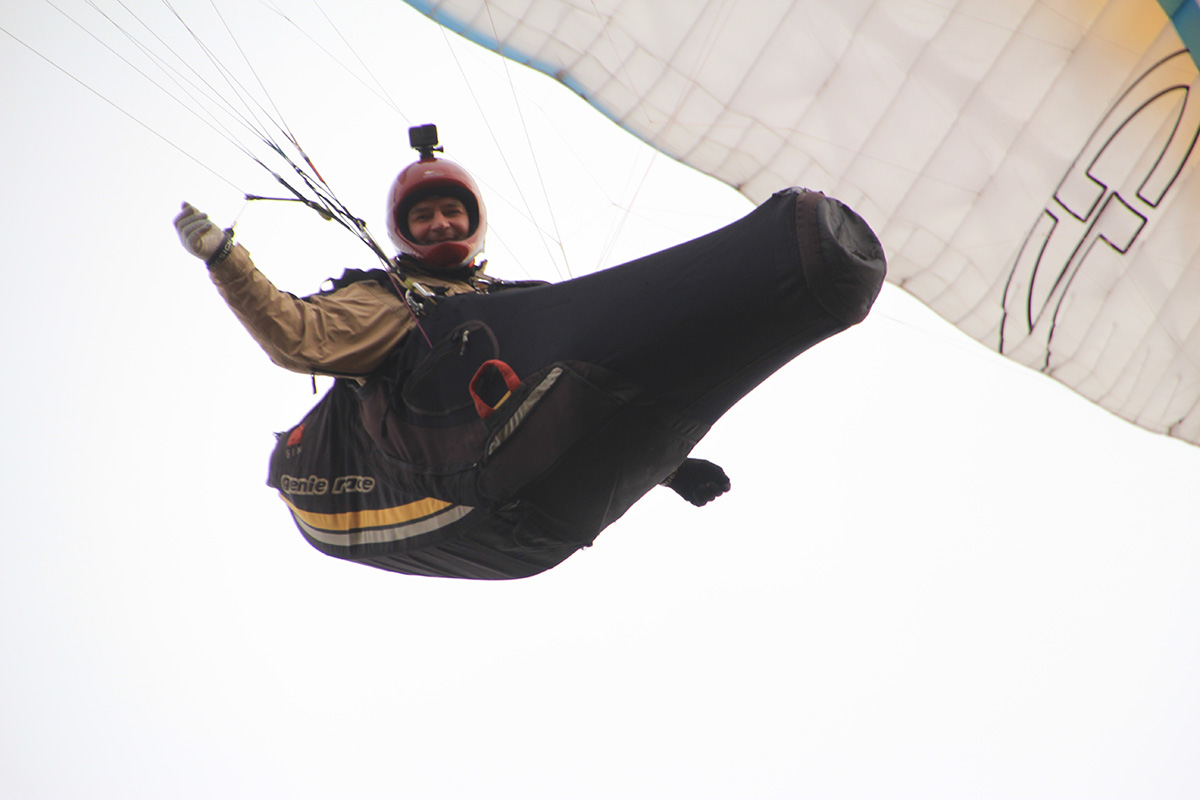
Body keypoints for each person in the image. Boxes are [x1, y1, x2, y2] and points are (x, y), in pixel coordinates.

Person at [174, 149, 731, 506]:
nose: (440, 223)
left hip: (534, 460)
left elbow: (584, 383)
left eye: (450, 212)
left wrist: (667, 464)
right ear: (404, 230)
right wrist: (224, 258)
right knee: (471, 325)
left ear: (473, 221)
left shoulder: (516, 302)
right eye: (423, 216)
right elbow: (296, 336)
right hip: (446, 454)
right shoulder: (386, 300)